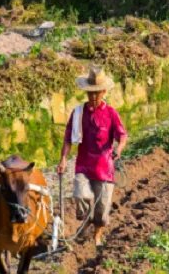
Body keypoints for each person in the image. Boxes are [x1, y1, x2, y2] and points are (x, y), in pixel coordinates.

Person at [57, 66, 128, 246]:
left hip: (105, 168)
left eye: (97, 93)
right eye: (90, 93)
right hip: (84, 165)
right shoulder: (78, 113)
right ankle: (86, 218)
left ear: (104, 91)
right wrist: (63, 159)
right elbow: (67, 139)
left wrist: (118, 149)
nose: (93, 97)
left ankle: (97, 234)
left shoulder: (111, 113)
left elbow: (122, 135)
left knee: (102, 210)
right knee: (80, 194)